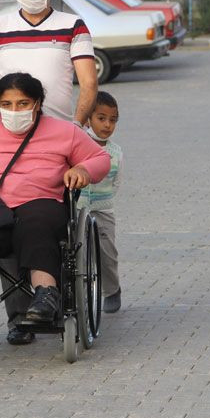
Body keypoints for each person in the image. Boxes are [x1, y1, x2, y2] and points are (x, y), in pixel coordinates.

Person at [0, 0, 99, 345]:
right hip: (6, 135)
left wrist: (75, 127)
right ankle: (19, 315)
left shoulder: (72, 26)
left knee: (45, 219)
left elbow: (88, 83)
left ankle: (54, 298)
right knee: (2, 215)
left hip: (54, 141)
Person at [0, 73, 110, 326]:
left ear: (37, 103)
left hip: (41, 205)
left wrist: (82, 170)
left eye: (22, 104)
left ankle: (45, 295)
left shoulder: (64, 132)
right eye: (6, 105)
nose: (14, 111)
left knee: (37, 224)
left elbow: (100, 158)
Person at [78, 92, 124, 313]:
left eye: (112, 120)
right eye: (101, 118)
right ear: (88, 119)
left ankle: (112, 290)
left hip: (103, 210)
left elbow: (116, 182)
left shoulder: (116, 153)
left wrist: (103, 200)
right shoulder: (79, 143)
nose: (107, 125)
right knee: (77, 251)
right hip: (78, 209)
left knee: (107, 253)